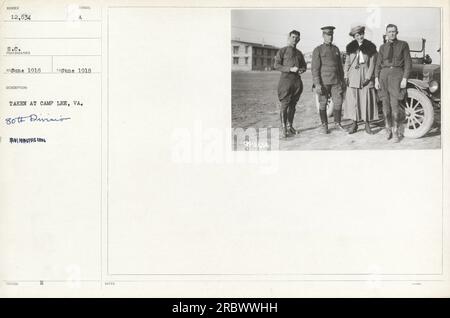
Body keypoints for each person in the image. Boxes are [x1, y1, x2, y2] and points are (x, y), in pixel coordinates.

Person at [375, 24, 412, 142]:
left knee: (394, 104)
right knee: (385, 104)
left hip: (397, 75)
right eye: (389, 32)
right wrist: (376, 78)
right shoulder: (382, 47)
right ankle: (388, 129)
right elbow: (377, 64)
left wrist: (405, 78)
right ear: (386, 33)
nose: (391, 34)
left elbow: (408, 63)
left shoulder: (403, 45)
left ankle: (396, 132)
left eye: (393, 31)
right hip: (383, 76)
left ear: (397, 33)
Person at [343, 25, 379, 134]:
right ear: (354, 37)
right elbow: (347, 63)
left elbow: (372, 64)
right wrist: (345, 76)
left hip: (365, 77)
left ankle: (367, 124)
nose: (360, 37)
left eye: (361, 34)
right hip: (353, 77)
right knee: (353, 102)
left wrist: (368, 77)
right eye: (357, 35)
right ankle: (354, 124)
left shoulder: (371, 47)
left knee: (366, 101)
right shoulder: (350, 48)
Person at [311, 26, 346, 134]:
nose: (329, 37)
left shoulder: (336, 49)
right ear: (323, 36)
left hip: (336, 82)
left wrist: (342, 81)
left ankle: (337, 123)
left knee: (338, 102)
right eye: (327, 35)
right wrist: (317, 84)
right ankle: (324, 125)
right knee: (323, 103)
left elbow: (339, 67)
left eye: (331, 35)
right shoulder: (318, 50)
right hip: (324, 82)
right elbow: (315, 68)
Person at [274, 30, 307, 138]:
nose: (295, 40)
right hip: (285, 81)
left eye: (297, 38)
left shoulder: (299, 53)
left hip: (296, 82)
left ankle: (290, 126)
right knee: (284, 105)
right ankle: (284, 128)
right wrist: (289, 69)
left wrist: (302, 69)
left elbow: (304, 66)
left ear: (299, 39)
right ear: (288, 37)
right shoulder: (282, 51)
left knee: (293, 105)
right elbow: (277, 65)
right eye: (293, 37)